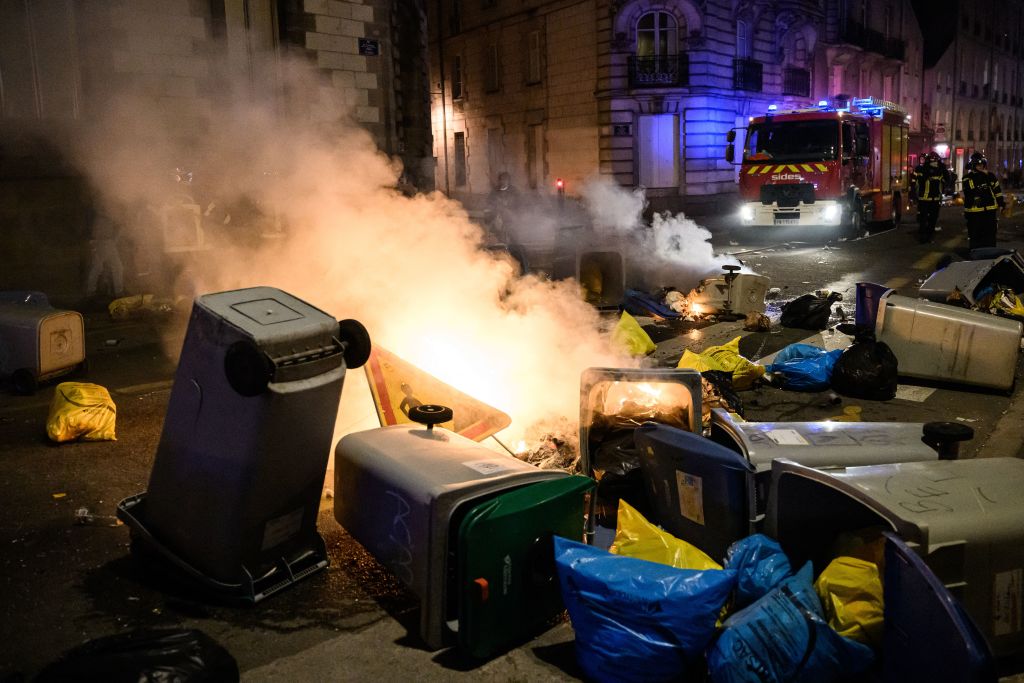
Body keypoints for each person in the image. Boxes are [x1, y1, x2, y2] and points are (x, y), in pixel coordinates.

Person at [962, 154, 1005, 251]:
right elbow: (973, 191)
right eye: (978, 165)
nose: (981, 167)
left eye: (982, 165)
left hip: (990, 210)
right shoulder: (967, 178)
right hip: (974, 212)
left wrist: (1001, 203)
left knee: (990, 234)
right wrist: (983, 176)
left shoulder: (990, 176)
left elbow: (997, 191)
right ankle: (975, 254)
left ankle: (990, 254)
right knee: (975, 234)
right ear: (973, 166)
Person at [84, 205, 125, 301]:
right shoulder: (103, 218)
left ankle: (92, 292)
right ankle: (91, 292)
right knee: (101, 267)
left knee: (111, 267)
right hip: (103, 243)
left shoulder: (104, 217)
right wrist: (96, 244)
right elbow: (98, 232)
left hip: (107, 243)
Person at [911, 152, 951, 243]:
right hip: (924, 200)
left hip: (935, 199)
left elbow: (948, 180)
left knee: (933, 219)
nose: (934, 163)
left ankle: (929, 237)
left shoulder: (940, 170)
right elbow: (918, 180)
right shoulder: (921, 169)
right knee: (923, 219)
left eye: (936, 161)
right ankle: (923, 237)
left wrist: (943, 168)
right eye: (933, 161)